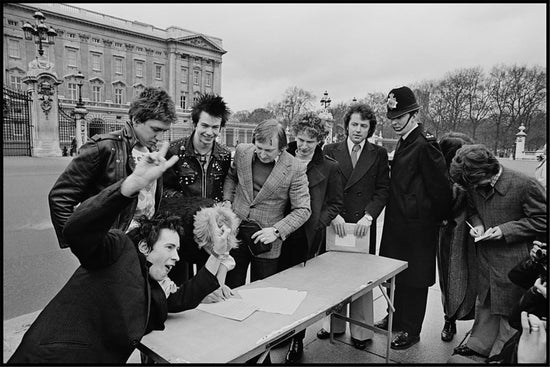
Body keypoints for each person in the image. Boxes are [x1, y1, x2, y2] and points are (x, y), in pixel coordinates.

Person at [8, 142, 231, 364]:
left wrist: (217, 254)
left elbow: (183, 299)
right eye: (170, 247)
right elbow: (77, 231)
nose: (177, 257)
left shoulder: (153, 290)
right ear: (145, 247)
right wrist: (129, 186)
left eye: (178, 250)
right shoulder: (118, 249)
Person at [449, 144, 547, 359]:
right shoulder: (473, 183)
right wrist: (478, 225)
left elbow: (543, 219)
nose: (474, 188)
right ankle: (479, 343)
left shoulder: (525, 184)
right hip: (486, 257)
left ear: (488, 170)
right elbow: (473, 210)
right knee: (485, 302)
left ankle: (501, 353)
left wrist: (505, 230)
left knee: (509, 308)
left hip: (515, 258)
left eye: (476, 183)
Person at [49, 87, 177, 248]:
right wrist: (80, 244)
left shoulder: (153, 153)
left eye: (164, 131)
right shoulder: (104, 147)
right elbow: (60, 198)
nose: (160, 137)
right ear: (136, 120)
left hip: (143, 243)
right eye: (156, 130)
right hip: (110, 245)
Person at [376, 86, 452, 350]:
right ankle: (397, 317)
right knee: (399, 275)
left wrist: (436, 219)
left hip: (418, 226)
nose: (395, 122)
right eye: (392, 117)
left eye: (400, 116)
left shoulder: (425, 142)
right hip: (399, 223)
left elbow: (441, 188)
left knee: (417, 279)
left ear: (415, 114)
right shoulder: (406, 139)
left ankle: (411, 329)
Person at [317, 103, 390, 350]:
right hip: (336, 223)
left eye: (364, 125)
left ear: (370, 129)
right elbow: (322, 185)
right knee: (333, 275)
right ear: (346, 125)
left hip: (361, 225)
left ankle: (361, 331)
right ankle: (332, 325)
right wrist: (332, 214)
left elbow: (383, 189)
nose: (358, 130)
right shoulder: (329, 149)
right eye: (355, 124)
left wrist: (369, 216)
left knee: (362, 278)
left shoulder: (378, 154)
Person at [277, 112, 343, 363]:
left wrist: (318, 223)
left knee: (300, 289)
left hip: (306, 235)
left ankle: (297, 339)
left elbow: (335, 203)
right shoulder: (282, 157)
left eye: (310, 141)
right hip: (278, 228)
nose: (304, 146)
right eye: (301, 139)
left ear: (320, 141)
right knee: (277, 285)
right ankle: (281, 331)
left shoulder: (329, 167)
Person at [223, 119, 311, 287]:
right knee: (231, 290)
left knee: (262, 294)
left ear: (282, 148)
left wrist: (277, 231)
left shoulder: (295, 168)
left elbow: (303, 209)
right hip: (235, 234)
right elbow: (231, 177)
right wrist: (228, 201)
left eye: (269, 150)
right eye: (259, 148)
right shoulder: (242, 152)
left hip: (268, 242)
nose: (262, 154)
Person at [162, 93, 232, 285]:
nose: (209, 132)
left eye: (215, 127)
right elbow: (164, 190)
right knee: (180, 285)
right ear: (195, 124)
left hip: (209, 231)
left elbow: (226, 186)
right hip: (179, 229)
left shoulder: (224, 155)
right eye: (205, 125)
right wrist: (193, 208)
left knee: (206, 285)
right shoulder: (175, 151)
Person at [437, 132, 477, 342]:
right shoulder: (441, 177)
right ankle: (449, 318)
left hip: (473, 232)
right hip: (451, 234)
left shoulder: (473, 173)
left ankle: (477, 324)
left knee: (476, 279)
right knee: (451, 277)